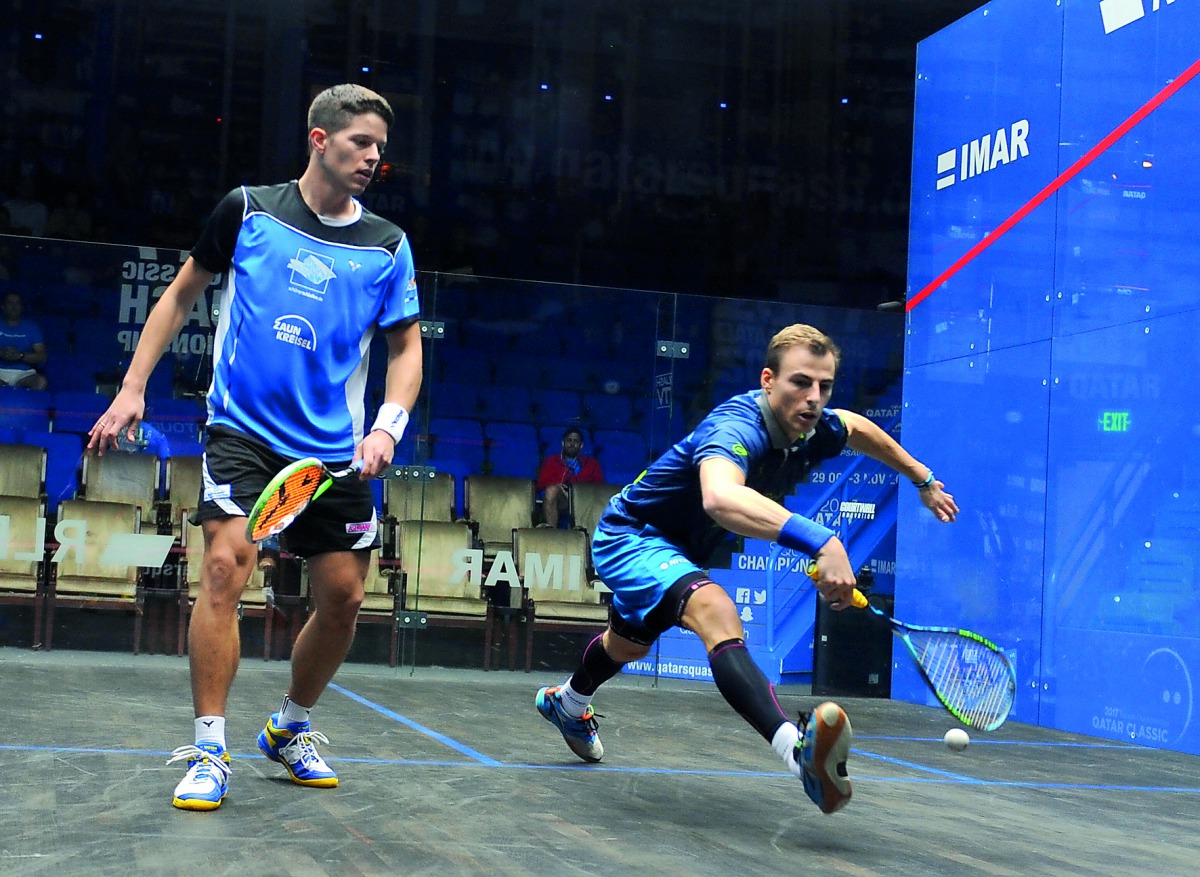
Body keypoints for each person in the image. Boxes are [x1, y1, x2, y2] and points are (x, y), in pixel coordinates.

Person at [87, 83, 422, 812]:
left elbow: (406, 348)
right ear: (318, 138)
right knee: (222, 567)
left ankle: (289, 727)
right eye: (360, 143)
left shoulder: (388, 245)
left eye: (380, 149)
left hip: (333, 452)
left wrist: (387, 425)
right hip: (242, 430)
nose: (372, 158)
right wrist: (133, 386)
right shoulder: (248, 211)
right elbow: (179, 294)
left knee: (343, 597)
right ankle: (210, 747)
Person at [534, 324, 959, 815]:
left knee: (627, 644)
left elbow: (857, 427)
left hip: (681, 552)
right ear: (767, 381)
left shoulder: (814, 427)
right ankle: (797, 753)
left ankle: (565, 703)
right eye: (801, 382)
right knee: (714, 608)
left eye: (824, 385)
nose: (814, 397)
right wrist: (822, 541)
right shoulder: (735, 426)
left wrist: (922, 478)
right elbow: (720, 497)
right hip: (632, 535)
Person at [536, 426, 604, 527]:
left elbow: (600, 488)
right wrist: (558, 486)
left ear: (581, 445)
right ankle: (551, 533)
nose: (572, 443)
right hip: (561, 499)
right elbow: (540, 486)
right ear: (563, 443)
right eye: (569, 440)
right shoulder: (551, 461)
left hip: (584, 499)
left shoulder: (592, 464)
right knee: (551, 490)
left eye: (576, 441)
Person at [0, 291, 48, 390]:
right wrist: (2, 353)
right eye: (10, 303)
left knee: (40, 382)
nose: (13, 306)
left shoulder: (32, 328)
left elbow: (41, 356)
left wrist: (20, 356)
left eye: (17, 303)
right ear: (2, 306)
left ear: (22, 307)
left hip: (24, 374)